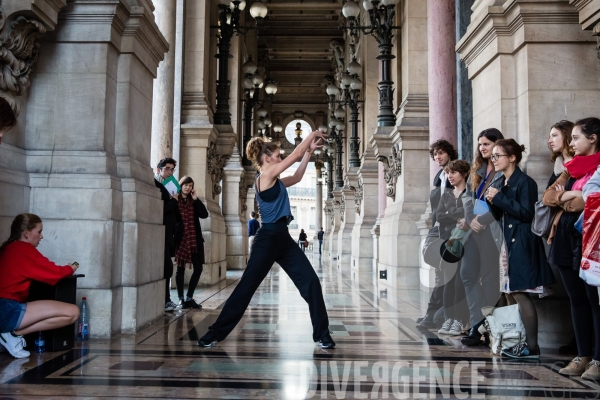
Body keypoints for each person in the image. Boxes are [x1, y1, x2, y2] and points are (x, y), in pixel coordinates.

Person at [197, 130, 335, 349]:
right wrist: (313, 134)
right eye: (278, 155)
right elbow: (295, 153)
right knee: (246, 288)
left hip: (283, 238)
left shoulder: (276, 181)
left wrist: (309, 153)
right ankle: (214, 333)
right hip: (267, 239)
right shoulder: (266, 176)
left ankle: (322, 334)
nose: (280, 158)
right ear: (267, 158)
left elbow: (298, 176)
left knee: (311, 282)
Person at [485, 139, 556, 359]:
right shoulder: (502, 182)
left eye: (498, 155)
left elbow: (526, 213)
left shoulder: (525, 182)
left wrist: (499, 198)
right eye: (493, 156)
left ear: (512, 157)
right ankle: (516, 340)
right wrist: (491, 201)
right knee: (509, 293)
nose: (493, 160)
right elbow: (499, 216)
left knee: (519, 292)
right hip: (507, 242)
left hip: (523, 243)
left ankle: (532, 347)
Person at [544, 117, 600, 380]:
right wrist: (570, 197)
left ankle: (597, 359)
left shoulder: (597, 167)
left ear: (593, 139)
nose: (571, 143)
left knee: (594, 300)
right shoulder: (571, 167)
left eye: (576, 138)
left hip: (589, 239)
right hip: (565, 238)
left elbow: (586, 202)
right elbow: (548, 197)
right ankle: (582, 355)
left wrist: (565, 198)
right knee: (576, 299)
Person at [0, 214, 80, 359]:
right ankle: (12, 334)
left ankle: (10, 334)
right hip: (7, 309)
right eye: (39, 231)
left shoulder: (11, 248)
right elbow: (53, 272)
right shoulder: (23, 249)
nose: (41, 236)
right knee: (73, 312)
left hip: (5, 308)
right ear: (26, 233)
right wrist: (70, 268)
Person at [460, 128, 505, 346]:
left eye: (486, 143)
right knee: (467, 274)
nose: (482, 148)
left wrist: (481, 220)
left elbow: (501, 203)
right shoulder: (477, 170)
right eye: (480, 144)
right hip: (473, 231)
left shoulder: (503, 169)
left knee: (489, 280)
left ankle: (488, 329)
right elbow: (468, 199)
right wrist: (471, 220)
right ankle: (477, 324)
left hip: (491, 231)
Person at [418, 139, 458, 329]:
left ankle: (435, 315)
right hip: (440, 227)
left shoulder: (455, 174)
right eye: (435, 154)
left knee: (445, 273)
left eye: (441, 153)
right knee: (440, 271)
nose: (438, 157)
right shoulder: (439, 177)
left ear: (449, 153)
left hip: (452, 229)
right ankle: (434, 314)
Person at [435, 160, 471, 337]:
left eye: (454, 172)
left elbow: (470, 214)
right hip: (448, 242)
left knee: (459, 283)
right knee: (447, 282)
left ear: (463, 174)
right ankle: (448, 318)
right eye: (449, 172)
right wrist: (456, 216)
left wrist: (452, 215)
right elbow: (439, 216)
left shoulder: (469, 193)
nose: (450, 176)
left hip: (466, 242)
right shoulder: (446, 195)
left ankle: (459, 320)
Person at [174, 176, 209, 309]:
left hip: (194, 239)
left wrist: (196, 199)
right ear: (181, 185)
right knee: (180, 269)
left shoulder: (193, 201)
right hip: (181, 239)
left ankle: (189, 297)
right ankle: (181, 299)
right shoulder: (176, 200)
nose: (188, 187)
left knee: (198, 268)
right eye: (185, 185)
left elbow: (204, 214)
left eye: (190, 185)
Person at [154, 157, 182, 312]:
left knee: (167, 266)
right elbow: (161, 209)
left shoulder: (170, 187)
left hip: (169, 232)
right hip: (161, 230)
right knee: (166, 267)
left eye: (172, 169)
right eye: (167, 169)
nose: (170, 172)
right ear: (159, 169)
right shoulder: (156, 185)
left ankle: (166, 299)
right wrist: (174, 201)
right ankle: (165, 300)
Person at [548, 120, 575, 188]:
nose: (549, 141)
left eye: (554, 135)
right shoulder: (558, 163)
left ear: (567, 136)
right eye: (550, 137)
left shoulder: (579, 164)